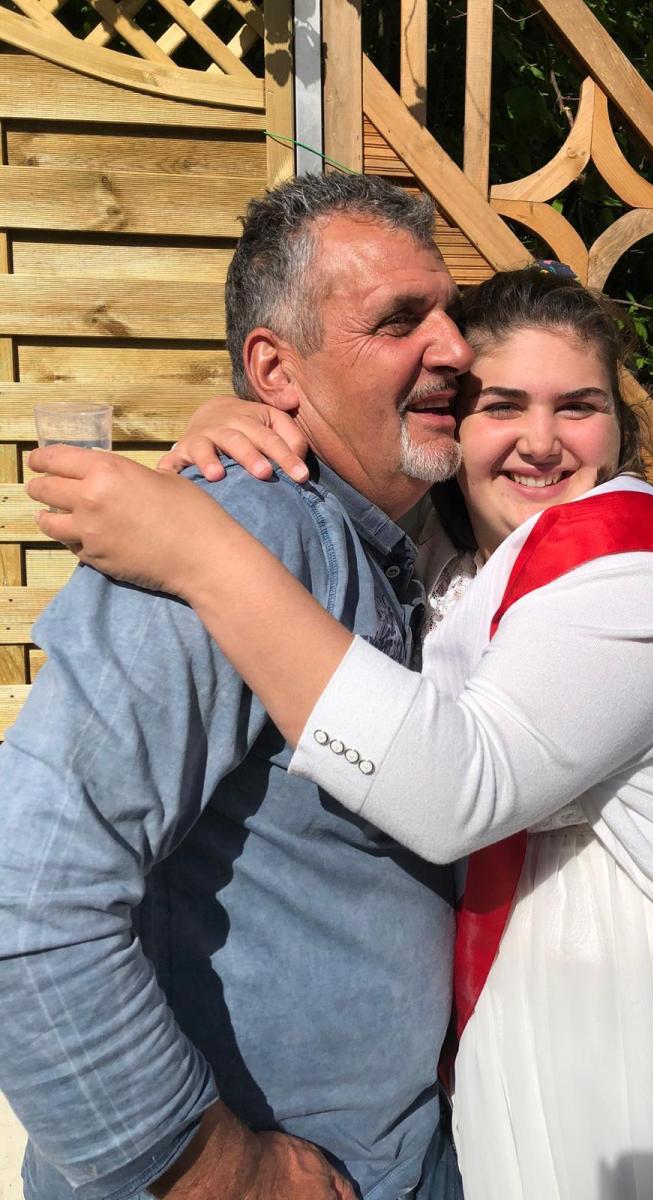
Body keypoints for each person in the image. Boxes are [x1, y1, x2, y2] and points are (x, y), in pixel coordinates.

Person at [26, 270, 653, 1200]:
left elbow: (454, 790)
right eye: (503, 405)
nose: (542, 441)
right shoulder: (450, 561)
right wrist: (239, 424)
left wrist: (202, 553)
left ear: (619, 430)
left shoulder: (634, 569)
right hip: (551, 1035)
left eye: (579, 407)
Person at [0, 173, 477, 1200]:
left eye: (451, 314)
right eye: (400, 321)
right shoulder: (240, 528)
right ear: (275, 368)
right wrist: (216, 1169)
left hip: (392, 1152)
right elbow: (25, 898)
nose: (455, 348)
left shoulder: (408, 540)